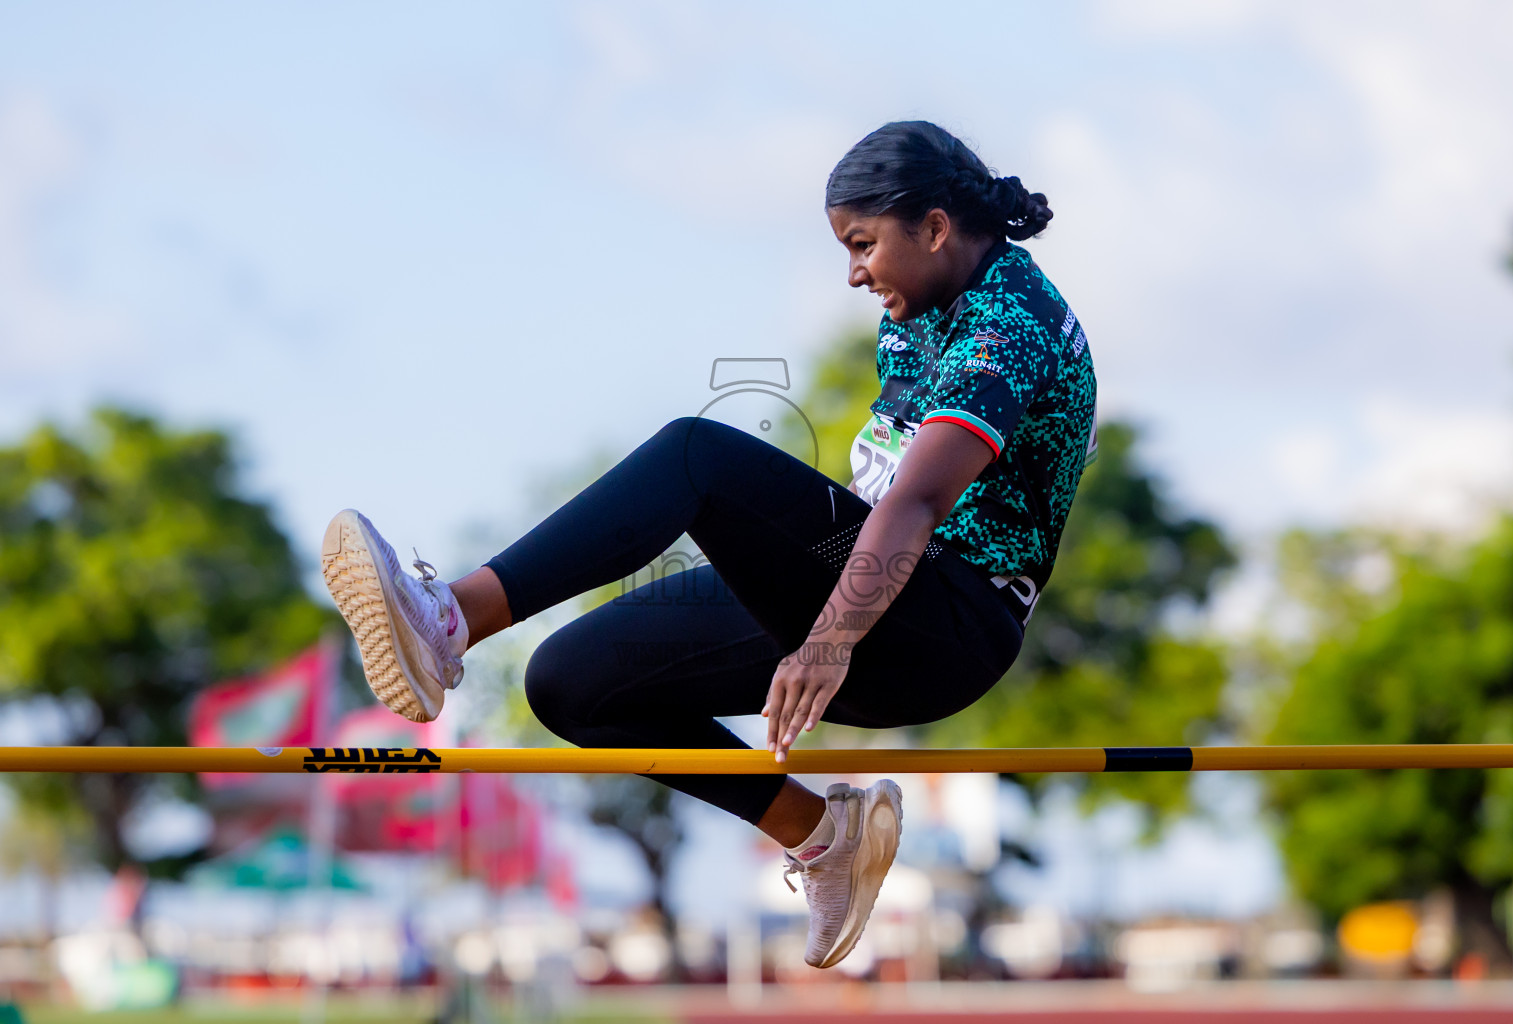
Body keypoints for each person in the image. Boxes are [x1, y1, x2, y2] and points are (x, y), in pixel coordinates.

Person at [321, 120, 1097, 970]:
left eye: (864, 245)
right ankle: (822, 835)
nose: (854, 273)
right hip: (870, 590)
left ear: (937, 227)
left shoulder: (1011, 320)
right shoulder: (925, 306)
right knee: (574, 686)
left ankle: (448, 621)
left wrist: (830, 639)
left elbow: (916, 502)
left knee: (697, 455)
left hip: (941, 624)